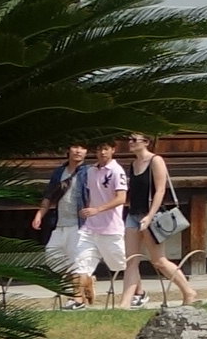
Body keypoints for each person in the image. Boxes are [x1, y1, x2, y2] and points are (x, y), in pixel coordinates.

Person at [116, 130, 196, 306]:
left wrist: (150, 216)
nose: (130, 142)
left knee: (159, 261)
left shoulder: (155, 161)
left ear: (146, 142)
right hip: (133, 214)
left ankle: (188, 291)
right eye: (129, 139)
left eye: (134, 139)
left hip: (151, 216)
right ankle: (124, 304)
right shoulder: (133, 163)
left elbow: (160, 190)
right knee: (131, 261)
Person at [30, 142, 93, 301]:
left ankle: (77, 298)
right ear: (68, 149)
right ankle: (87, 280)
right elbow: (49, 196)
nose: (78, 151)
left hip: (79, 223)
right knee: (53, 258)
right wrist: (40, 214)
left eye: (82, 148)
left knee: (76, 261)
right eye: (75, 147)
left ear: (86, 152)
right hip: (60, 223)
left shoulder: (89, 172)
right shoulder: (59, 172)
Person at [74, 141, 132, 308]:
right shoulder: (91, 171)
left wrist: (98, 209)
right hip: (90, 227)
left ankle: (137, 292)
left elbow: (121, 198)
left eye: (105, 149)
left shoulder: (116, 171)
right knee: (80, 263)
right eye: (99, 149)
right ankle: (78, 299)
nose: (102, 153)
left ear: (113, 150)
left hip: (111, 228)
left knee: (119, 265)